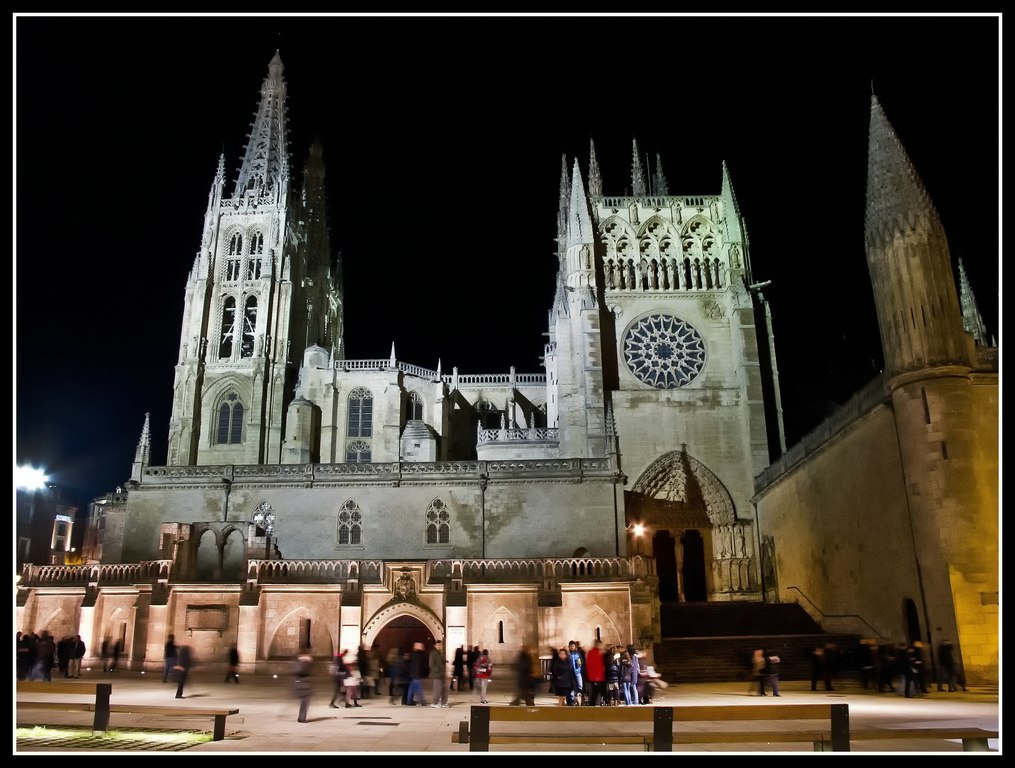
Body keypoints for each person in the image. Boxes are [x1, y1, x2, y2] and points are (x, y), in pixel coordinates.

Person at [293, 646, 313, 722]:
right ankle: (302, 718)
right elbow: (302, 671)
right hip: (303, 684)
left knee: (304, 702)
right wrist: (307, 662)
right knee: (305, 701)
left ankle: (301, 717)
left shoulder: (297, 660)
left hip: (300, 684)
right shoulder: (303, 662)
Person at [428, 639, 449, 707]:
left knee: (445, 688)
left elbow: (441, 661)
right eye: (438, 645)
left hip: (442, 674)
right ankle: (434, 703)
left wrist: (445, 661)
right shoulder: (433, 653)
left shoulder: (441, 652)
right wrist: (438, 670)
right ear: (435, 645)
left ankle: (444, 703)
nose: (439, 646)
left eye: (440, 645)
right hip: (437, 674)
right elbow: (431, 664)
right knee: (437, 689)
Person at [405, 641, 427, 706]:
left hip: (412, 674)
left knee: (411, 688)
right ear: (416, 646)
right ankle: (422, 701)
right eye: (420, 646)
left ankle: (409, 701)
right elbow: (418, 666)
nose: (422, 647)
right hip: (416, 674)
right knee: (418, 688)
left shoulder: (412, 654)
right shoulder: (417, 655)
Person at [585, 640, 606, 706]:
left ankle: (594, 704)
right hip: (597, 677)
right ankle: (596, 704)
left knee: (594, 693)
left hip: (593, 677)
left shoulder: (592, 652)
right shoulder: (598, 653)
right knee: (596, 692)